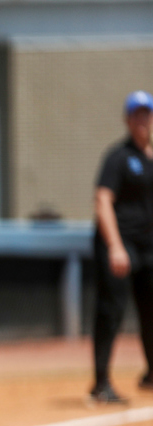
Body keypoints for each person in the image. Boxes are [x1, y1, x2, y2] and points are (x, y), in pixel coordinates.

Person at [89, 90, 153, 404]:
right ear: (128, 119)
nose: (142, 119)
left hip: (148, 246)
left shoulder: (151, 158)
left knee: (151, 311)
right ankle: (101, 383)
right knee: (111, 311)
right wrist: (115, 245)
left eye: (147, 113)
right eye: (136, 113)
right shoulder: (118, 158)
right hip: (120, 244)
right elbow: (102, 200)